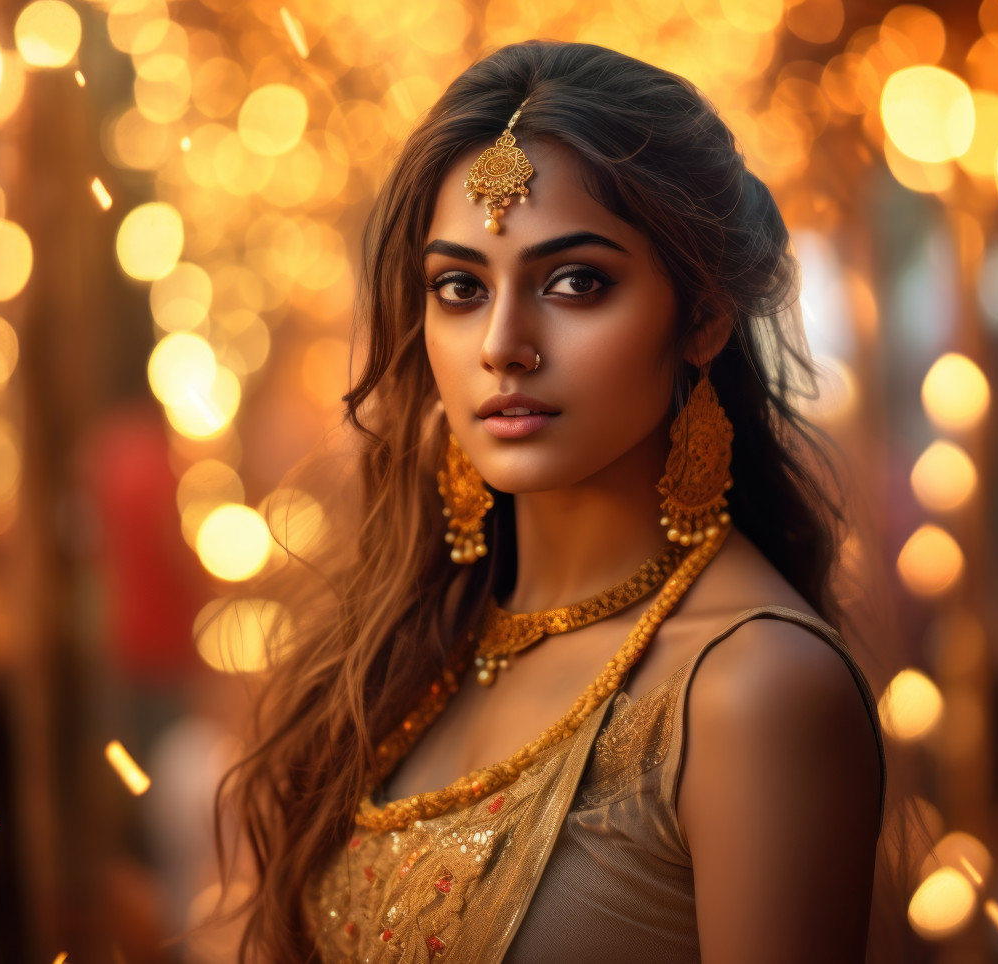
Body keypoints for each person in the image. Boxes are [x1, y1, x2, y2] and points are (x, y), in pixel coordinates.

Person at [213, 39, 886, 964]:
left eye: (576, 283)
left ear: (702, 319)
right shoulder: (424, 645)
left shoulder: (752, 691)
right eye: (459, 287)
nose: (502, 344)